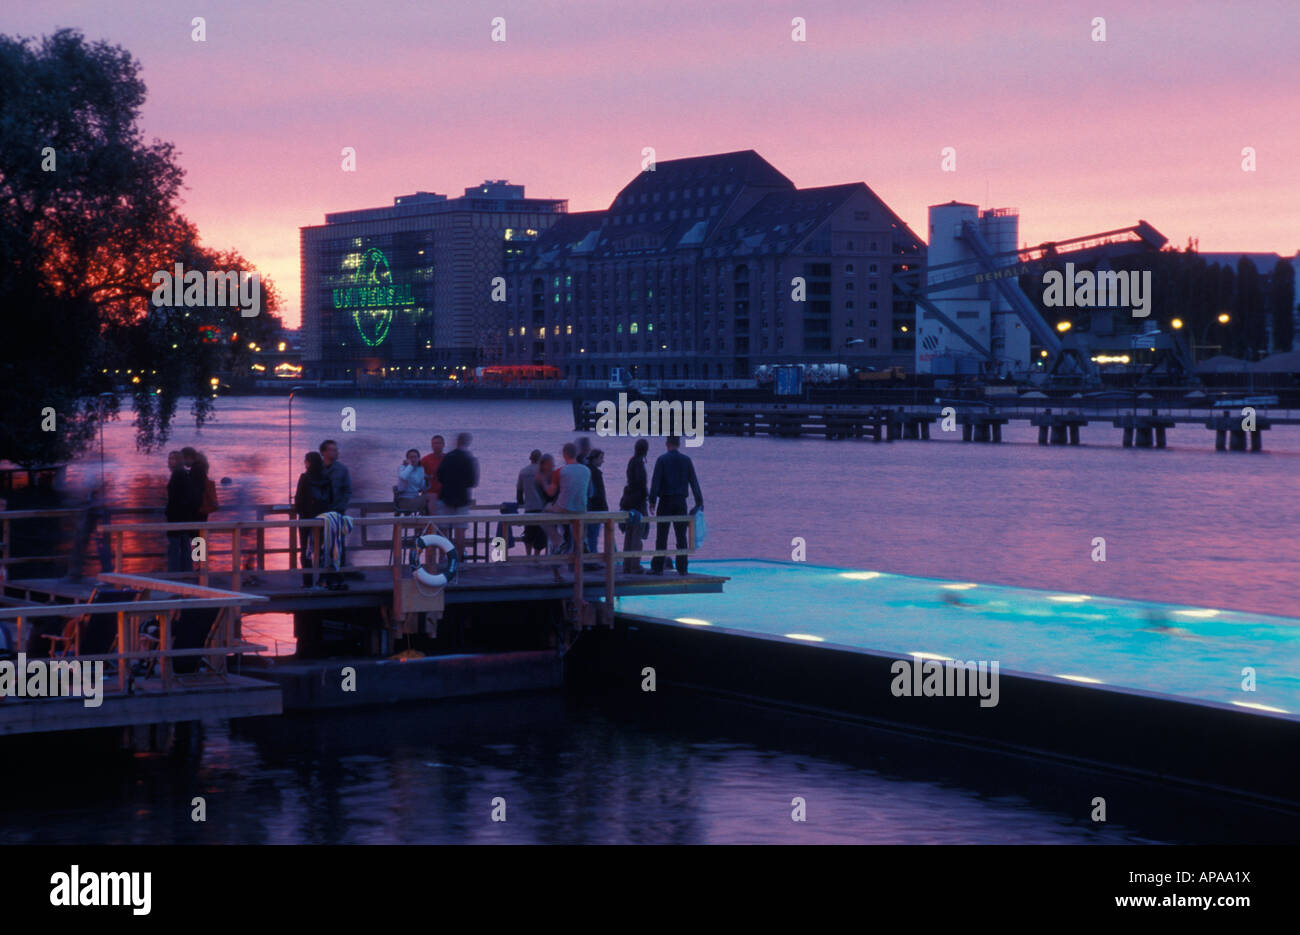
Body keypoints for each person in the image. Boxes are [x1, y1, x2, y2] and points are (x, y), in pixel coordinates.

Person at [649, 435, 703, 575]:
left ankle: (658, 567)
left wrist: (652, 500)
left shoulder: (662, 460)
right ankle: (682, 567)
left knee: (662, 536)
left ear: (667, 444)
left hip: (665, 501)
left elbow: (656, 482)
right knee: (681, 536)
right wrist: (699, 502)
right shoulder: (686, 460)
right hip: (680, 502)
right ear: (679, 444)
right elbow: (694, 482)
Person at [542, 442, 590, 578]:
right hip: (581, 509)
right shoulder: (587, 470)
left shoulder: (560, 471)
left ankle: (557, 540)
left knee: (545, 512)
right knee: (576, 539)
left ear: (564, 455)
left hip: (563, 508)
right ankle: (574, 566)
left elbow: (551, 493)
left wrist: (543, 481)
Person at [436, 432, 479, 555]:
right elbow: (473, 481)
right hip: (462, 498)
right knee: (460, 531)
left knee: (444, 529)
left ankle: (443, 558)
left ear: (457, 442)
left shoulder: (448, 456)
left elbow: (440, 476)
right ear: (468, 442)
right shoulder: (469, 459)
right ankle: (459, 560)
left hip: (446, 497)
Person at [294, 451, 330, 587]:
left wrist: (298, 510)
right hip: (323, 518)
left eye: (305, 461)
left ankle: (307, 581)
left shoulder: (305, 477)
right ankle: (322, 579)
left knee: (305, 549)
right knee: (322, 548)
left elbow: (299, 499)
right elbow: (330, 497)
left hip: (306, 517)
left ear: (308, 462)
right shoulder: (326, 477)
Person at [320, 439, 352, 588]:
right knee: (321, 545)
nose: (336, 452)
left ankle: (339, 575)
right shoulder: (317, 468)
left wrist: (341, 507)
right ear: (324, 452)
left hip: (337, 512)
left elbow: (347, 490)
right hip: (320, 514)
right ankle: (323, 576)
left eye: (336, 449)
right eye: (332, 450)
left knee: (339, 544)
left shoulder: (342, 470)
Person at [619, 439, 650, 573]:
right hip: (638, 504)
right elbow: (640, 484)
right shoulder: (639, 464)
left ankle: (627, 564)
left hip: (629, 502)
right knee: (637, 533)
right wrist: (646, 495)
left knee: (630, 533)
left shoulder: (631, 461)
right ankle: (635, 565)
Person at [164, 450, 194, 572]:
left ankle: (174, 574)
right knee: (184, 544)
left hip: (176, 516)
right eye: (170, 459)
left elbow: (176, 498)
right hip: (184, 516)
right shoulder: (184, 474)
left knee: (175, 546)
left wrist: (169, 511)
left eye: (173, 459)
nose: (170, 462)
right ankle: (187, 571)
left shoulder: (178, 474)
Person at [521, 453, 553, 556]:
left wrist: (521, 503)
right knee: (541, 535)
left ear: (530, 458)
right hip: (542, 508)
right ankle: (537, 557)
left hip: (529, 507)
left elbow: (519, 491)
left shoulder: (524, 471)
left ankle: (528, 556)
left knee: (529, 533)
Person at [584, 448, 608, 561]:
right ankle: (593, 560)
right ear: (595, 459)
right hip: (596, 509)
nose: (602, 461)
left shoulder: (588, 470)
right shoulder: (595, 473)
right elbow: (598, 493)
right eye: (601, 458)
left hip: (589, 508)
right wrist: (604, 507)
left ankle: (590, 558)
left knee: (590, 536)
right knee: (593, 536)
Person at [420, 435, 445, 515]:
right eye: (434, 443)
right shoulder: (425, 460)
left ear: (443, 444)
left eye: (438, 443)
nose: (436, 446)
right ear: (431, 445)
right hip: (430, 495)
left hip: (445, 495)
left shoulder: (448, 459)